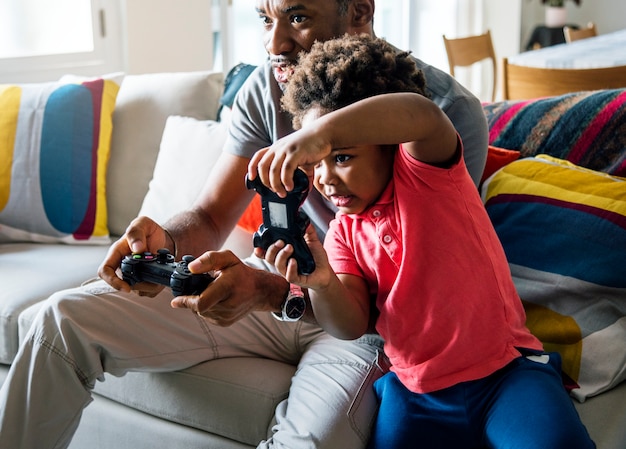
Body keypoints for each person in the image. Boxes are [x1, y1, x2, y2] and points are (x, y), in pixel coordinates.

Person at [0, 1, 489, 448]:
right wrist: (162, 241)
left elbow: (406, 294)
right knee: (57, 320)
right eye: (264, 19)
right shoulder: (268, 85)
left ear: (359, 11)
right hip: (276, 278)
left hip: (364, 323)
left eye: (298, 17)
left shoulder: (444, 112)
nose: (274, 44)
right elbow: (212, 216)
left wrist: (271, 292)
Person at [248, 33, 596, 449]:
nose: (324, 177)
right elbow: (350, 323)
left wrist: (319, 133)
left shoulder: (429, 176)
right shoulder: (342, 233)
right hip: (417, 393)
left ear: (391, 147)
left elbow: (421, 114)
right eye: (315, 163)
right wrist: (322, 283)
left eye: (341, 156)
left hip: (506, 374)